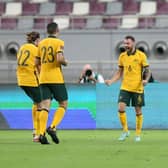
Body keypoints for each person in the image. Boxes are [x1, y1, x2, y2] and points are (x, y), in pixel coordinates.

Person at [105, 35, 151, 142]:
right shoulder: (122, 56)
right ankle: (125, 131)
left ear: (133, 43)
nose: (126, 45)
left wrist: (146, 80)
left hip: (137, 88)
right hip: (125, 87)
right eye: (125, 43)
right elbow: (119, 73)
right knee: (121, 108)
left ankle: (138, 134)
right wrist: (111, 81)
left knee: (138, 111)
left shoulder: (141, 55)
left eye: (128, 43)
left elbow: (148, 70)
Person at [35, 22, 68, 144]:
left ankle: (42, 134)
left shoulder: (41, 43)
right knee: (63, 104)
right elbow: (59, 59)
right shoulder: (59, 42)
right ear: (57, 30)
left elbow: (36, 62)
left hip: (43, 78)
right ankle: (53, 127)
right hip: (56, 78)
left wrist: (43, 71)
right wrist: (65, 62)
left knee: (45, 107)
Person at [16, 31, 41, 142]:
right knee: (41, 105)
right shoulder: (36, 49)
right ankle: (37, 132)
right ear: (36, 40)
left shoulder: (22, 48)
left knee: (36, 103)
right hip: (32, 79)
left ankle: (35, 130)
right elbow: (38, 65)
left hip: (21, 80)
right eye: (39, 40)